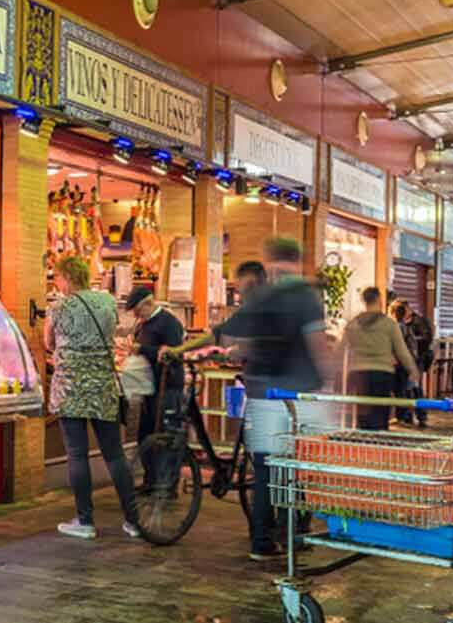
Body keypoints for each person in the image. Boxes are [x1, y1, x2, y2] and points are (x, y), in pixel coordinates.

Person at [178, 238, 333, 561]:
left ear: (271, 260)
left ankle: (260, 541)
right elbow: (318, 345)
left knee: (264, 471)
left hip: (262, 395)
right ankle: (291, 533)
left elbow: (226, 334)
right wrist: (331, 384)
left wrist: (183, 351)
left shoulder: (261, 297)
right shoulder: (306, 297)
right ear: (299, 260)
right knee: (293, 470)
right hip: (296, 398)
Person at [46, 255, 139, 540]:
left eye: (58, 278)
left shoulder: (59, 306)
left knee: (77, 454)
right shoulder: (107, 302)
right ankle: (134, 520)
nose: (57, 284)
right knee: (114, 454)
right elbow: (115, 331)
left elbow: (48, 343)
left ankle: (85, 521)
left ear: (66, 277)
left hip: (71, 386)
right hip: (102, 385)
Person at [341, 287, 418, 430]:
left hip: (359, 374)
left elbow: (341, 350)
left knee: (363, 414)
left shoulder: (353, 324)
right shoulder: (389, 324)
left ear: (364, 301)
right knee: (380, 414)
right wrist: (412, 369)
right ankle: (379, 443)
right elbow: (401, 350)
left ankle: (363, 444)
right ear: (378, 300)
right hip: (382, 374)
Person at [127, 287, 185, 448]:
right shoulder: (142, 324)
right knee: (145, 436)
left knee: (164, 437)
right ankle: (150, 472)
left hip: (167, 388)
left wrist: (142, 349)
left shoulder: (169, 323)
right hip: (149, 387)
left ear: (148, 304)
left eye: (137, 311)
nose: (135, 316)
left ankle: (165, 472)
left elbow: (175, 354)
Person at [405, 305, 436, 427]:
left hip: (417, 359)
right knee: (410, 387)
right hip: (413, 358)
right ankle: (411, 415)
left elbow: (425, 339)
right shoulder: (410, 322)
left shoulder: (418, 322)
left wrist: (411, 342)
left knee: (414, 387)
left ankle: (420, 415)